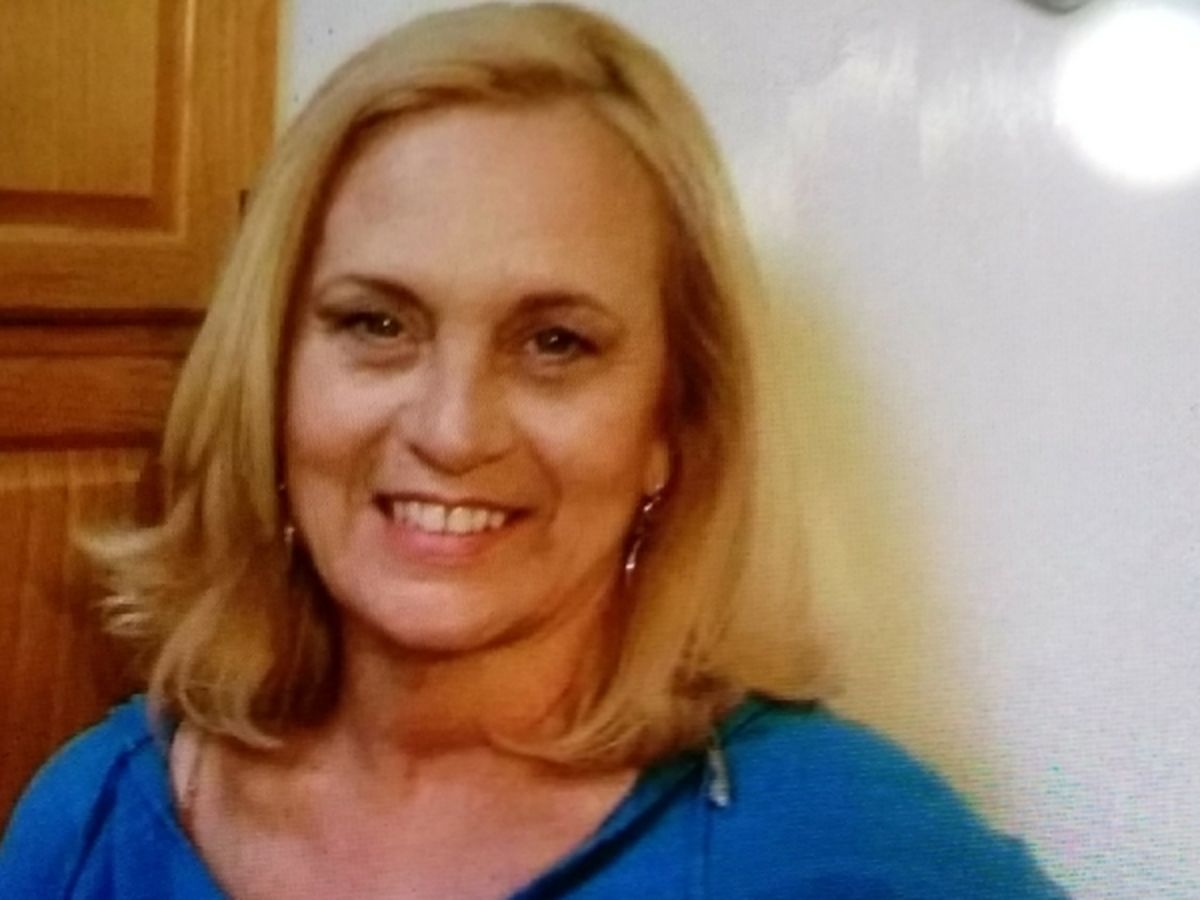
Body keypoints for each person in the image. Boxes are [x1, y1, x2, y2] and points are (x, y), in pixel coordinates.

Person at [0, 3, 1065, 897]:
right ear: (271, 379)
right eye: (377, 323)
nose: (451, 429)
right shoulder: (93, 822)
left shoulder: (845, 851)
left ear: (672, 424)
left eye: (555, 343)